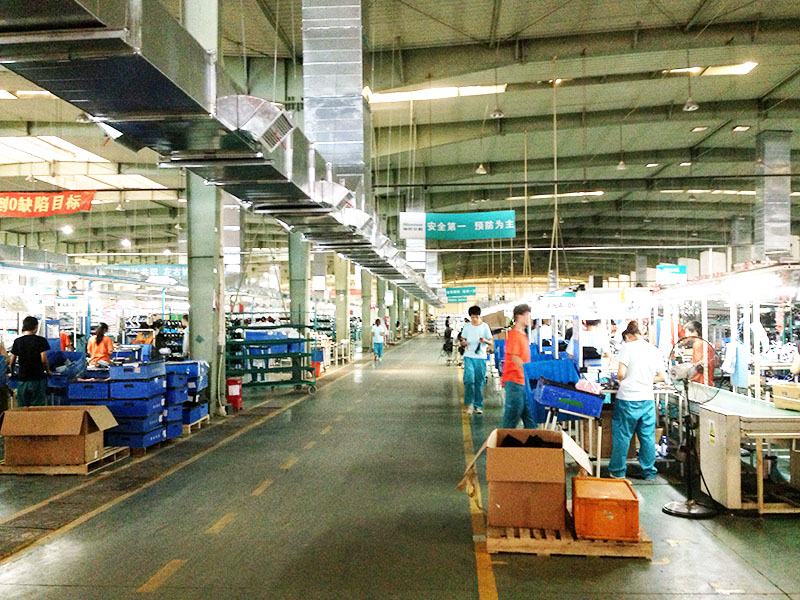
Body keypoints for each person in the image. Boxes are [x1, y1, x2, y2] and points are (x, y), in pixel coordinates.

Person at [610, 321, 666, 480]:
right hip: (647, 399)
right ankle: (649, 472)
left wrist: (627, 378)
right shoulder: (654, 350)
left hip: (627, 399)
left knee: (622, 436)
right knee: (647, 437)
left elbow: (621, 374)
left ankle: (618, 471)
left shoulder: (627, 348)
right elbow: (662, 376)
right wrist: (644, 379)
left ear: (628, 336)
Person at [501, 304, 535, 428]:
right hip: (514, 381)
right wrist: (529, 370)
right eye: (527, 316)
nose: (530, 319)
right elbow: (514, 357)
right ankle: (504, 439)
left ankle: (533, 437)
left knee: (530, 417)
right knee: (512, 417)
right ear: (519, 316)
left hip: (522, 381)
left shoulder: (523, 334)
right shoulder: (514, 335)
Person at [9, 316, 52, 407]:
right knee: (37, 407)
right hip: (37, 379)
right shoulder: (41, 340)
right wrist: (48, 371)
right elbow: (44, 360)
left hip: (22, 379)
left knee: (22, 407)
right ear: (35, 327)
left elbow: (12, 361)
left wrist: (12, 373)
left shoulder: (18, 341)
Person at [459, 306, 493, 416]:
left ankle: (478, 405)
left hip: (481, 357)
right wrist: (463, 342)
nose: (474, 319)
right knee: (469, 380)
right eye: (472, 317)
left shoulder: (484, 327)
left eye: (476, 317)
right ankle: (469, 404)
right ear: (470, 317)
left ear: (479, 316)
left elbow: (491, 342)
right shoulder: (467, 327)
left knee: (479, 382)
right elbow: (463, 339)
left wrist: (485, 340)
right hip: (469, 356)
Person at [684, 320, 713, 385]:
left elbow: (699, 364)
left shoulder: (698, 344)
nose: (685, 334)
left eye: (687, 332)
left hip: (700, 380)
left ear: (695, 332)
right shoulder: (704, 343)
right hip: (707, 379)